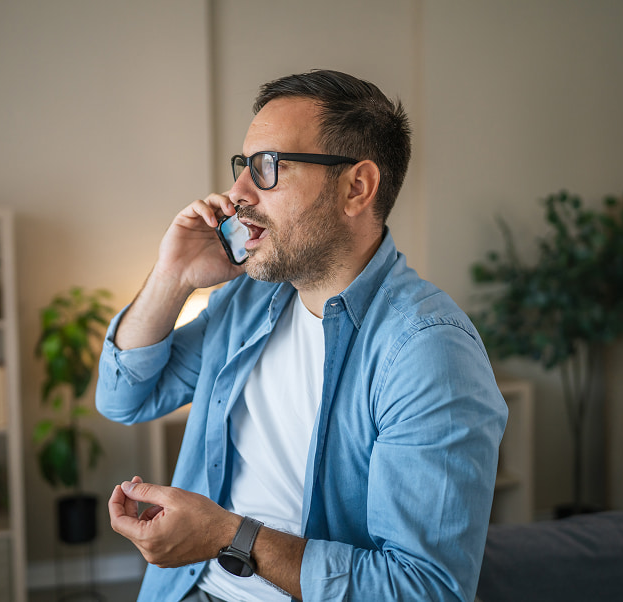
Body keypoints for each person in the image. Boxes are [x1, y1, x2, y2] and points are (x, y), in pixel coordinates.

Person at [96, 69, 508, 602]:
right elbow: (123, 397)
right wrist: (171, 277)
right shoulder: (250, 297)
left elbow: (422, 590)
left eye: (267, 167)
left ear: (356, 187)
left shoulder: (428, 351)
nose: (236, 193)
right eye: (242, 166)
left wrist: (229, 536)